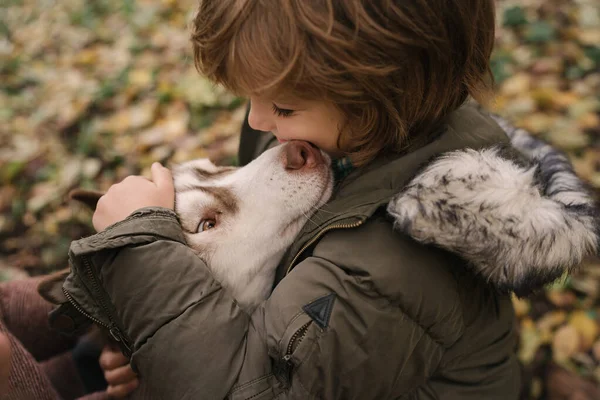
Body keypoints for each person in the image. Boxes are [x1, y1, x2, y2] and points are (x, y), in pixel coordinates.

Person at [1, 1, 598, 399]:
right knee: (77, 349)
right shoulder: (343, 129)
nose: (258, 120)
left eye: (282, 107)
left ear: (379, 98)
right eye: (255, 99)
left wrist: (137, 256)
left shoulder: (396, 269)